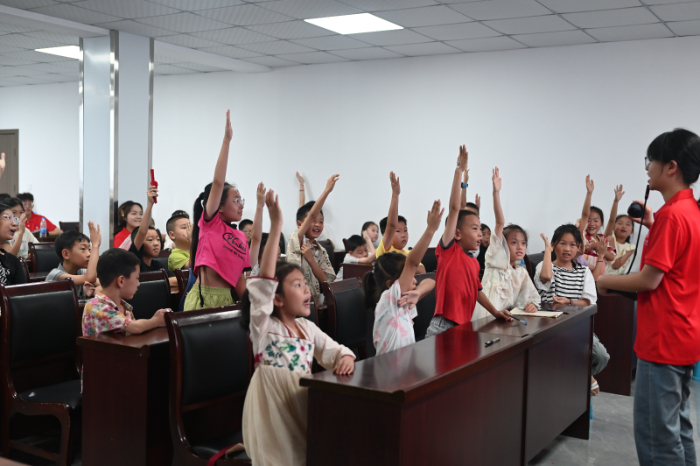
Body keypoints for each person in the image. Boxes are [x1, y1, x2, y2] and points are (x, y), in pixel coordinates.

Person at [597, 129, 700, 466]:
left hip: (662, 339)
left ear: (671, 167)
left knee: (657, 438)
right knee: (678, 428)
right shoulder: (691, 211)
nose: (647, 168)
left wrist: (604, 279)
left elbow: (649, 280)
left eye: (650, 160)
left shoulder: (673, 216)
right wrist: (654, 225)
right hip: (684, 334)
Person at [241, 189, 354, 466]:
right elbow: (265, 281)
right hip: (272, 415)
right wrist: (276, 226)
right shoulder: (264, 326)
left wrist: (345, 357)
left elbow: (335, 351)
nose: (306, 291)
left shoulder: (306, 327)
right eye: (297, 285)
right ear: (276, 298)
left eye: (305, 284)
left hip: (299, 403)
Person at [426, 146, 512, 337]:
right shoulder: (449, 251)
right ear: (456, 234)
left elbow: (477, 291)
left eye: (480, 229)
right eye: (474, 229)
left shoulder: (473, 262)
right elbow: (455, 209)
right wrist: (459, 171)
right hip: (443, 327)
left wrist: (496, 312)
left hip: (464, 327)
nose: (480, 234)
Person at [185, 111, 250, 311]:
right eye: (236, 200)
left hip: (227, 301)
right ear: (219, 206)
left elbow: (239, 279)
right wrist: (227, 141)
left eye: (242, 201)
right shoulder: (210, 224)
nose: (241, 205)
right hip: (203, 299)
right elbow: (219, 182)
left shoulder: (240, 236)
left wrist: (255, 308)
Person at [534, 224, 609, 395]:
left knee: (601, 356)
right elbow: (546, 277)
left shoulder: (583, 271)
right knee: (566, 353)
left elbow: (589, 302)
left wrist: (569, 301)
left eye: (573, 245)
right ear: (554, 245)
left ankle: (583, 374)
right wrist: (547, 251)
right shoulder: (544, 266)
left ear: (579, 248)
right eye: (562, 243)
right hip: (551, 326)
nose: (567, 249)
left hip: (578, 326)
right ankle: (582, 379)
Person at [364, 201, 441, 354]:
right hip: (390, 366)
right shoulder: (389, 299)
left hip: (405, 364)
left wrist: (417, 293)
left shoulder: (403, 299)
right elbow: (412, 263)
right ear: (391, 284)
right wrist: (430, 229)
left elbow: (430, 282)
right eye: (409, 277)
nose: (414, 280)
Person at [472, 168, 541, 320]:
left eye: (523, 243)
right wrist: (496, 193)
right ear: (502, 245)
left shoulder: (521, 273)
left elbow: (530, 297)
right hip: (484, 317)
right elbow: (500, 222)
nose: (520, 247)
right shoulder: (495, 261)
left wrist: (531, 305)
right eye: (514, 242)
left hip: (504, 319)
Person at [82, 248, 170, 338]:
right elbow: (135, 327)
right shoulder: (95, 307)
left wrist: (156, 319)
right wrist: (156, 321)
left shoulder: (124, 307)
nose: (138, 284)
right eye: (136, 278)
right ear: (121, 281)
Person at [286, 175, 338, 305]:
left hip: (313, 303)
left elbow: (326, 279)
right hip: (294, 302)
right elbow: (310, 215)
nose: (317, 225)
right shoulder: (296, 239)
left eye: (321, 222)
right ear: (300, 224)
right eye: (313, 221)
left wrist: (311, 259)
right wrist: (327, 191)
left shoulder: (321, 250)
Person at [376, 172, 426, 273]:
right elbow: (391, 225)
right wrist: (395, 195)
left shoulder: (409, 253)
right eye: (398, 231)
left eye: (405, 230)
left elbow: (422, 271)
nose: (403, 235)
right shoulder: (385, 249)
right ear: (385, 235)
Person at [129, 185, 176, 286]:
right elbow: (142, 232)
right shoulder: (135, 262)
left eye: (158, 239)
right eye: (150, 240)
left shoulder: (157, 265)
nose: (156, 243)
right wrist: (150, 204)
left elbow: (175, 280)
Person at [46, 223, 101, 299]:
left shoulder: (82, 271)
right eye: (83, 249)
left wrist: (93, 291)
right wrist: (95, 245)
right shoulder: (55, 275)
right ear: (66, 254)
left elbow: (106, 286)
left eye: (89, 249)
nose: (89, 254)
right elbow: (90, 278)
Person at [0, 203, 27, 286]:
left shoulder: (13, 261)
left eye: (14, 219)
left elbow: (21, 291)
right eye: (8, 218)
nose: (14, 223)